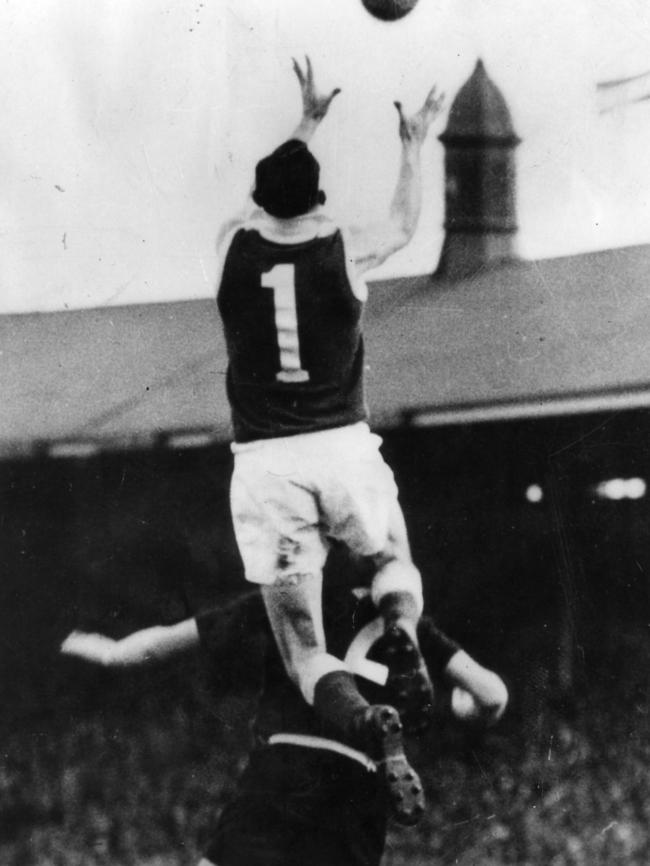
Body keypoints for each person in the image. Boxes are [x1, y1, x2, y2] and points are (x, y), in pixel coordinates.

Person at [216, 56, 446, 755]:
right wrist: (411, 144)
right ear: (320, 200)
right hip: (343, 447)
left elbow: (270, 192)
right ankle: (400, 627)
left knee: (304, 650)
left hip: (265, 466)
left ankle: (366, 724)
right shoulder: (344, 249)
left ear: (261, 199)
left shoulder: (231, 243)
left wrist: (307, 120)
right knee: (391, 561)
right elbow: (404, 226)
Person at [61, 554, 508, 866]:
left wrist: (112, 652)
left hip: (287, 765)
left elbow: (162, 644)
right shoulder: (409, 627)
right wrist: (466, 709)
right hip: (363, 782)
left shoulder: (287, 602)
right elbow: (492, 694)